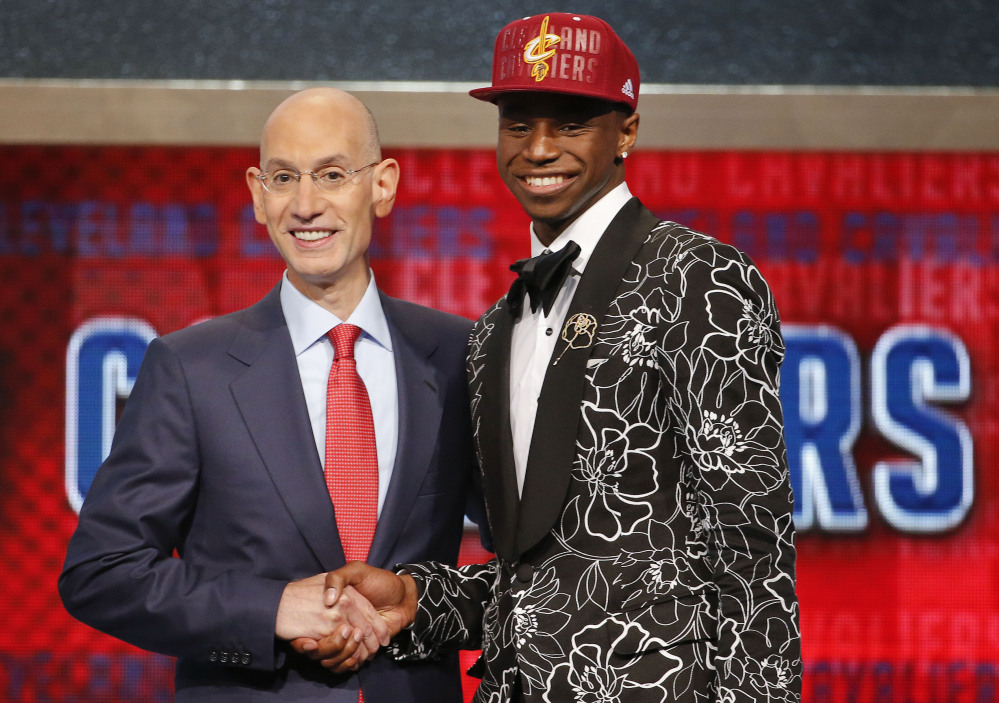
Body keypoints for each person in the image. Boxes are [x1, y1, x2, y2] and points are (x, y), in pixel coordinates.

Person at [309, 13, 802, 703]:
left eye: (568, 123)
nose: (538, 148)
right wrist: (419, 598)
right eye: (518, 123)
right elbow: (540, 574)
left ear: (625, 129)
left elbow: (751, 540)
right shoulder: (490, 333)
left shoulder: (698, 277)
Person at [59, 87, 485, 703]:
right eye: (285, 177)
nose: (306, 205)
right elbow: (102, 573)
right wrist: (270, 609)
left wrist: (421, 607)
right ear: (259, 195)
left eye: (333, 174)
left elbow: (541, 568)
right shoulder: (189, 368)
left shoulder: (458, 355)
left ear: (383, 185)